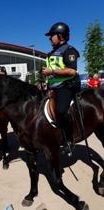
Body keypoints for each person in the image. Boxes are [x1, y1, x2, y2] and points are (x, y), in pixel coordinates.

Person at [42, 22, 81, 156]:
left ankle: (70, 141)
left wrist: (51, 71)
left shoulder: (69, 50)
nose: (49, 38)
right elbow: (52, 73)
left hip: (67, 86)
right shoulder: (52, 52)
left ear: (60, 36)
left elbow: (71, 71)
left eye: (52, 35)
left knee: (61, 110)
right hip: (54, 87)